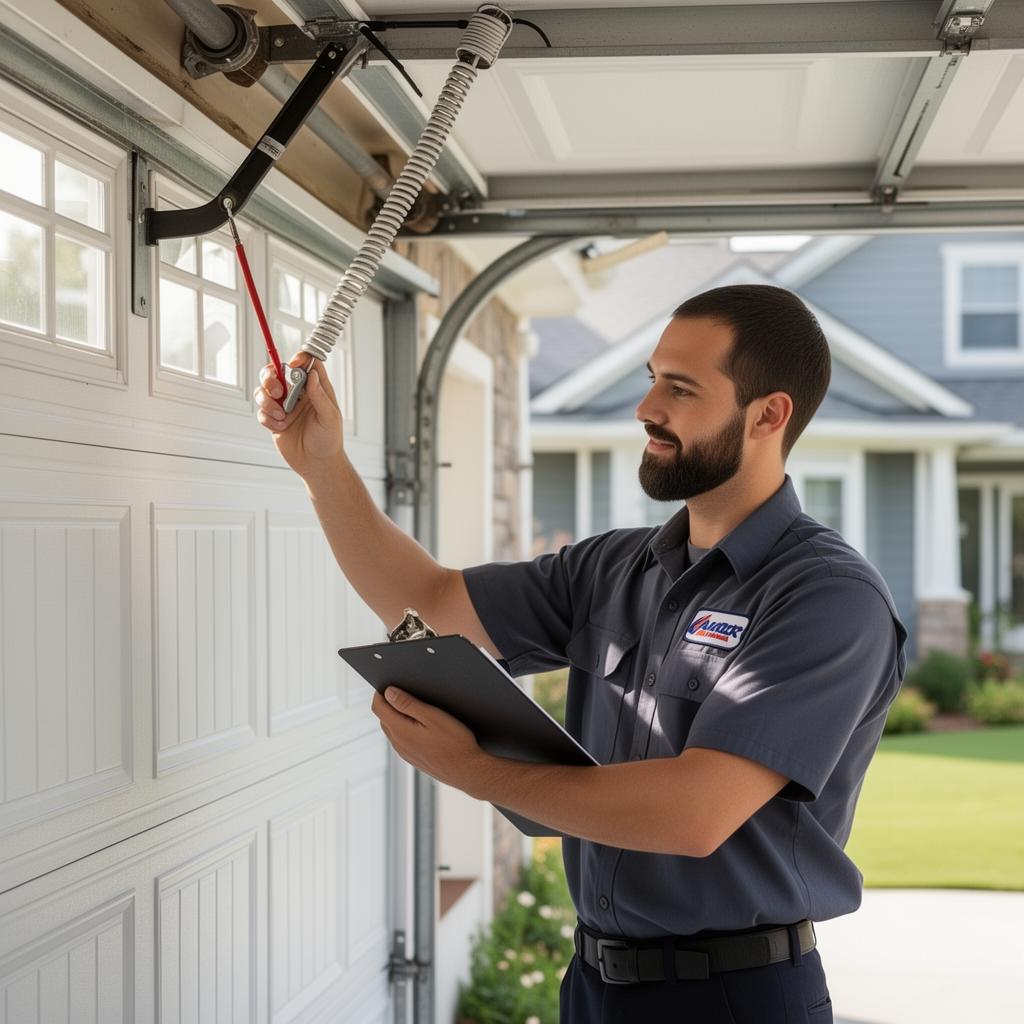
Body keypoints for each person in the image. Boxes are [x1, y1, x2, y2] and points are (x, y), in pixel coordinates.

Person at [254, 283, 907, 1024]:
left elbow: (693, 814)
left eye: (680, 387)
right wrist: (321, 465)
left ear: (769, 414)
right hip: (594, 984)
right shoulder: (614, 569)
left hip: (735, 998)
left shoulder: (825, 597)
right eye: (652, 377)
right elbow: (431, 604)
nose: (646, 408)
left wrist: (473, 771)